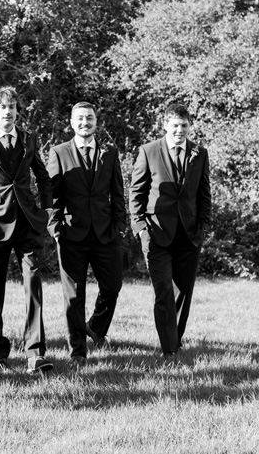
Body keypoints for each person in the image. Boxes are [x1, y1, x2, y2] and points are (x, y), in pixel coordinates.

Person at [0, 86, 52, 373]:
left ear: (17, 111)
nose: (8, 112)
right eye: (3, 108)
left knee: (34, 286)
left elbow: (43, 175)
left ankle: (35, 353)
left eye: (13, 107)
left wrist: (48, 208)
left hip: (28, 222)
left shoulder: (29, 139)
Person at [47, 102, 126, 366]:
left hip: (106, 234)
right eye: (80, 119)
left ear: (96, 122)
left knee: (113, 287)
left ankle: (95, 326)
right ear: (71, 122)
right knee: (74, 295)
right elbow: (52, 195)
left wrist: (119, 225)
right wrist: (54, 227)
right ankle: (78, 351)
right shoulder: (58, 153)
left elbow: (118, 193)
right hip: (71, 235)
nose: (85, 123)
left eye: (89, 118)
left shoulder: (110, 153)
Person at [129, 103, 211, 359]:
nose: (179, 130)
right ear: (165, 125)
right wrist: (140, 227)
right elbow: (136, 192)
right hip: (156, 234)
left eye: (184, 125)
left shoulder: (200, 153)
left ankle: (175, 337)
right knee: (163, 290)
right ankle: (170, 349)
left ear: (190, 127)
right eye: (175, 125)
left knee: (183, 292)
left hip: (189, 235)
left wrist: (203, 227)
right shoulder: (149, 151)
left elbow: (204, 194)